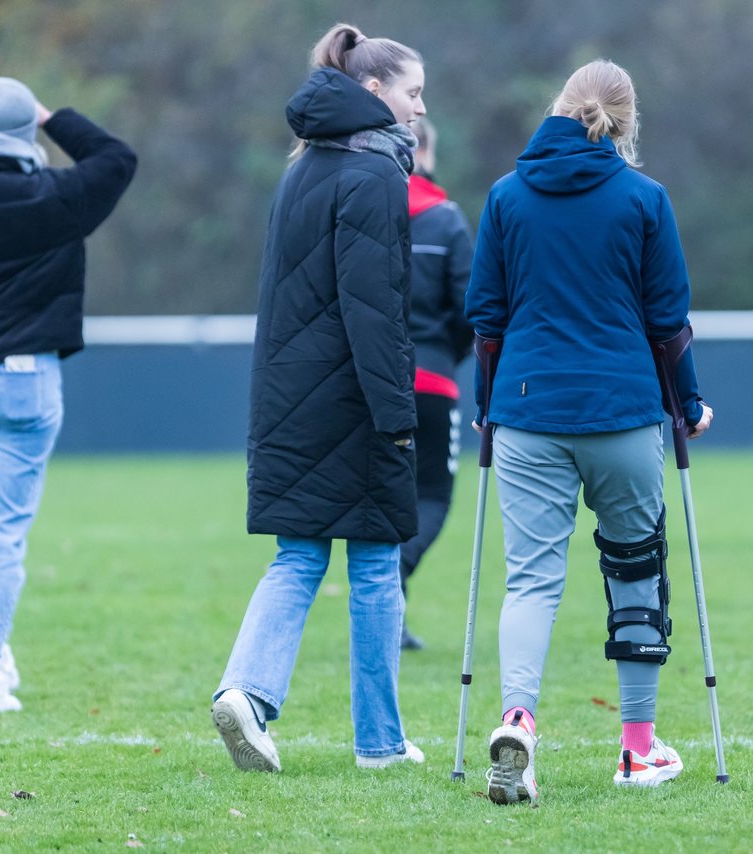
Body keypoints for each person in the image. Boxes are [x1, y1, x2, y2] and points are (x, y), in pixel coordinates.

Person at [465, 59, 713, 803]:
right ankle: (637, 751)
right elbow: (668, 322)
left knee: (531, 580)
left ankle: (519, 723)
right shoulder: (645, 198)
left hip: (527, 412)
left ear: (559, 107)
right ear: (625, 124)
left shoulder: (506, 196)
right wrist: (689, 405)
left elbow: (488, 318)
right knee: (635, 569)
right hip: (623, 411)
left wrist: (487, 404)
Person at [211, 22, 426, 773]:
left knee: (298, 554)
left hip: (289, 396)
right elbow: (375, 310)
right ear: (374, 92)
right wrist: (399, 416)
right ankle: (379, 743)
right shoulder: (374, 176)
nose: (419, 109)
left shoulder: (303, 168)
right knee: (374, 560)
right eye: (412, 93)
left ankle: (246, 691)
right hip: (355, 403)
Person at [0, 78, 136, 714]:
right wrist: (53, 116)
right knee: (2, 530)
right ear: (23, 133)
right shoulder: (56, 195)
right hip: (25, 383)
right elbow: (116, 158)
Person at [398, 117, 474, 650]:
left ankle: (383, 605)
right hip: (430, 382)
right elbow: (473, 310)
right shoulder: (446, 221)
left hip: (363, 385)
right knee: (431, 497)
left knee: (378, 498)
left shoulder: (358, 214)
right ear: (423, 151)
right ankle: (392, 580)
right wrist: (446, 355)